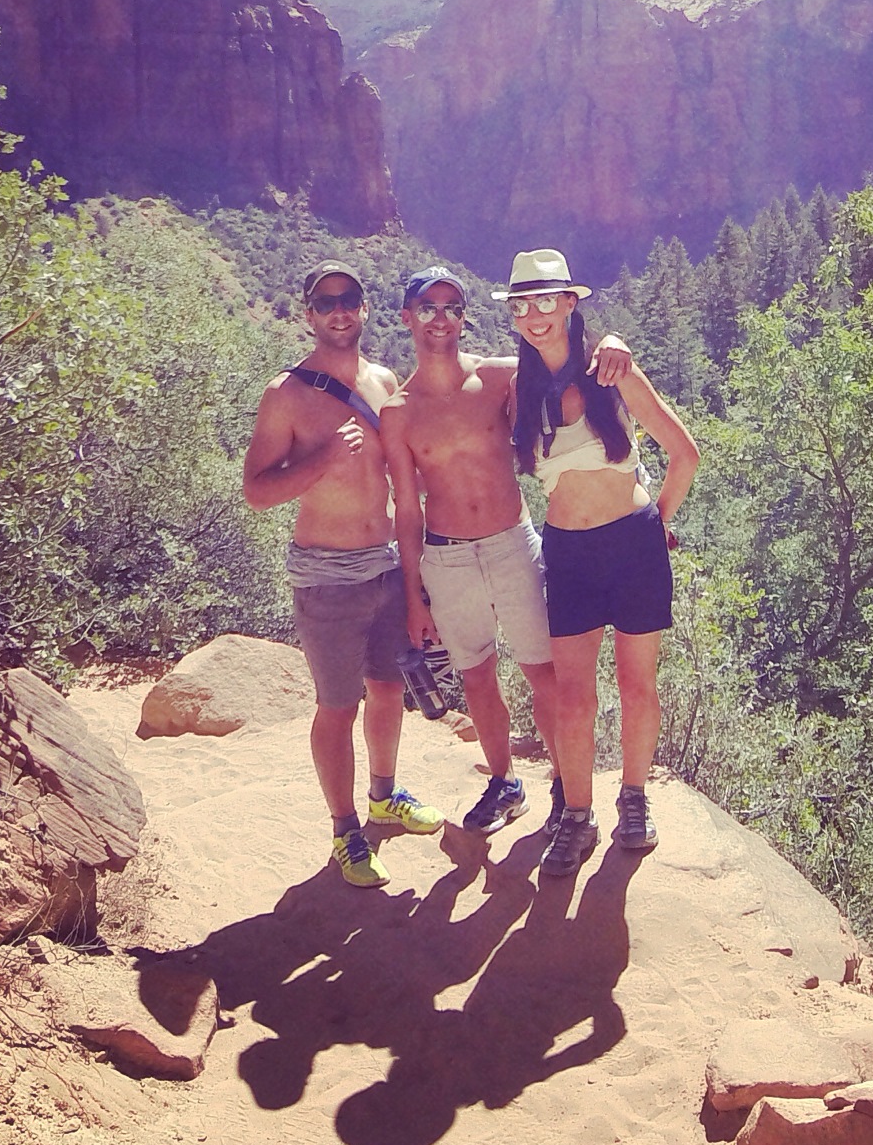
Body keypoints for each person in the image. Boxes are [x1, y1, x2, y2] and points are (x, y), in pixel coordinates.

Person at [383, 266, 635, 840]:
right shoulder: (398, 411)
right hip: (446, 556)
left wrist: (611, 342)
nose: (440, 318)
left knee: (543, 672)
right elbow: (406, 508)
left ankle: (567, 789)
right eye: (427, 308)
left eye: (451, 307)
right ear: (407, 318)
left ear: (464, 317)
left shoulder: (499, 378)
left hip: (510, 542)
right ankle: (504, 782)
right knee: (476, 676)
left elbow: (565, 364)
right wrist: (413, 596)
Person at [497, 247, 699, 879]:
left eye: (545, 301)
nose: (535, 316)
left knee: (638, 686)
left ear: (569, 303)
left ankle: (634, 800)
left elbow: (685, 453)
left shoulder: (611, 372)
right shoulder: (519, 392)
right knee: (573, 696)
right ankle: (577, 817)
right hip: (570, 553)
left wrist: (655, 523)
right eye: (522, 306)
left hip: (633, 544)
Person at [242, 260, 445, 889]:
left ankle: (384, 796)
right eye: (326, 301)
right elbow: (257, 491)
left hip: (386, 564)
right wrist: (323, 460)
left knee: (387, 689)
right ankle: (345, 829)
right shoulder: (286, 394)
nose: (339, 310)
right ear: (308, 313)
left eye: (349, 298)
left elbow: (406, 480)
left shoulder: (383, 382)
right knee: (337, 706)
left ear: (364, 307)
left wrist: (421, 574)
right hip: (326, 574)